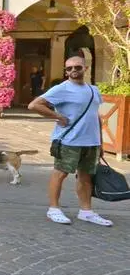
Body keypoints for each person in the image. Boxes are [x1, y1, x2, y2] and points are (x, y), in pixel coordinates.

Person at [28, 56, 112, 227]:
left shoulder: (93, 90)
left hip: (91, 142)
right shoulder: (62, 89)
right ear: (65, 71)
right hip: (69, 141)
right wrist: (57, 116)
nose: (73, 71)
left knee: (86, 176)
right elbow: (34, 105)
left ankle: (86, 211)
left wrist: (101, 143)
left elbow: (95, 116)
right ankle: (54, 209)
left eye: (77, 67)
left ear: (85, 68)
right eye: (69, 68)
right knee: (60, 174)